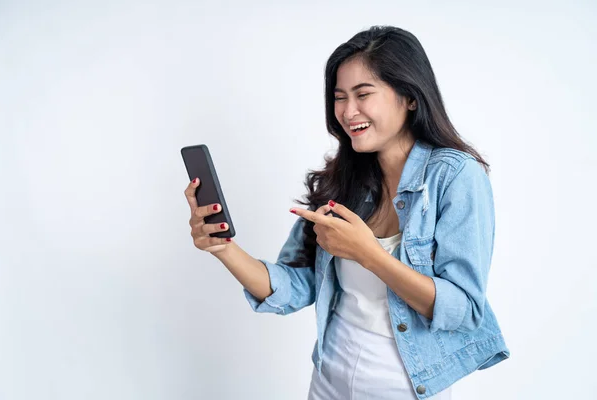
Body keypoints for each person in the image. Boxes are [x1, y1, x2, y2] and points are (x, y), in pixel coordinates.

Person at [184, 25, 509, 400]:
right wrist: (223, 247)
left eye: (363, 94)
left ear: (410, 97)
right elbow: (296, 286)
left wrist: (368, 254)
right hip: (328, 380)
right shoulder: (345, 178)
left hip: (404, 386)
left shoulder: (455, 176)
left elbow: (464, 310)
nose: (347, 111)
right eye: (339, 97)